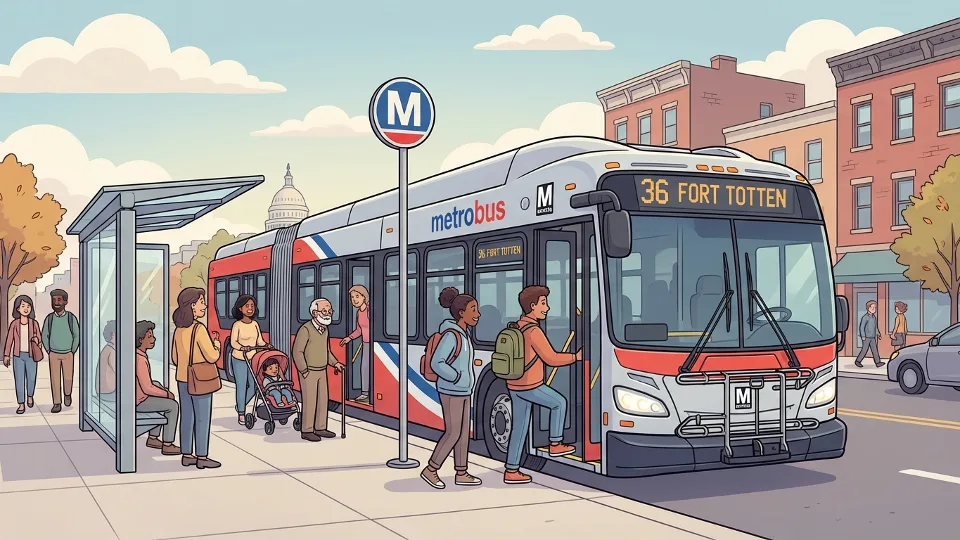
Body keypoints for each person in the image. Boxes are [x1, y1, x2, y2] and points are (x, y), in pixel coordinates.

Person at [503, 285, 582, 485]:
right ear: (532, 306)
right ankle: (555, 443)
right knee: (559, 403)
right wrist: (576, 357)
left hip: (514, 384)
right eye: (543, 303)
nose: (547, 308)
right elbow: (551, 358)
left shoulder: (518, 326)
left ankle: (511, 470)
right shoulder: (533, 331)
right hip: (530, 385)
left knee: (519, 428)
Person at [420, 287, 483, 490]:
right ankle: (431, 469)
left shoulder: (464, 334)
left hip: (464, 390)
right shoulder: (451, 335)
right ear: (461, 313)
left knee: (463, 433)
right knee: (453, 432)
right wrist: (456, 377)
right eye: (473, 309)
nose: (478, 314)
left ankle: (461, 472)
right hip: (451, 391)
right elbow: (437, 363)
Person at [172, 287, 222, 469]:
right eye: (202, 302)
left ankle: (187, 454)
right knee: (202, 418)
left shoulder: (178, 330)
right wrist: (217, 344)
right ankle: (202, 456)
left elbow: (175, 358)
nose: (205, 305)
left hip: (182, 378)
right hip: (200, 379)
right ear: (192, 305)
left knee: (187, 417)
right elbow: (212, 356)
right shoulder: (199, 329)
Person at [292, 298, 345, 442]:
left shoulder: (325, 330)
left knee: (322, 400)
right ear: (315, 313)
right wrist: (304, 370)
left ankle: (320, 428)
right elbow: (297, 351)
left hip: (322, 370)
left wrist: (335, 363)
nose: (328, 314)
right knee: (310, 401)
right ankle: (307, 430)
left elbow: (326, 351)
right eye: (324, 311)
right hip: (309, 371)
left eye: (329, 311)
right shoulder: (306, 329)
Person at [134, 320, 180, 455]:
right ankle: (167, 444)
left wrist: (161, 391)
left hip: (135, 397)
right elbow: (147, 388)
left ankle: (153, 438)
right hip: (139, 401)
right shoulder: (140, 359)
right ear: (140, 340)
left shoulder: (137, 354)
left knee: (158, 386)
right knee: (172, 406)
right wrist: (167, 394)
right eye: (149, 336)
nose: (153, 339)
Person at [41, 289, 80, 413]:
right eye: (54, 300)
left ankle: (67, 394)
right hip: (53, 353)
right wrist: (48, 350)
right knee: (55, 379)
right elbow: (44, 335)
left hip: (68, 353)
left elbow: (77, 335)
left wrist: (72, 350)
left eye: (59, 300)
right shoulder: (49, 318)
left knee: (68, 378)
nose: (56, 302)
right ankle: (57, 403)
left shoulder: (71, 318)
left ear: (65, 301)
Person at [230, 294, 267, 425]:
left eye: (252, 305)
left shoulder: (255, 324)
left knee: (254, 385)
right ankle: (241, 413)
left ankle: (241, 404)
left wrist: (266, 345)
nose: (250, 308)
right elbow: (233, 342)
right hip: (239, 358)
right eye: (247, 306)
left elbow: (259, 341)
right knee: (241, 385)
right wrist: (242, 347)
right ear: (240, 308)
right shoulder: (237, 325)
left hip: (253, 358)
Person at [3, 295, 43, 415]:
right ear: (18, 309)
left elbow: (40, 340)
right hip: (18, 356)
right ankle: (21, 403)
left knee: (31, 378)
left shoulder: (34, 323)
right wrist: (6, 355)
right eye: (23, 306)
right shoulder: (14, 324)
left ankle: (30, 396)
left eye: (28, 306)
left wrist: (36, 340)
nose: (26, 308)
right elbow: (9, 340)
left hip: (31, 356)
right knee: (19, 380)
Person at [340, 284, 371, 404]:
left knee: (367, 368)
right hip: (366, 344)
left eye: (357, 296)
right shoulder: (359, 313)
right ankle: (365, 393)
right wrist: (349, 338)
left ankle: (367, 393)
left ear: (364, 297)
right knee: (364, 368)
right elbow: (359, 330)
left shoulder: (369, 310)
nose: (354, 300)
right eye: (352, 297)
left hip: (374, 345)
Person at [855, 300, 884, 369]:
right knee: (864, 350)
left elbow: (875, 327)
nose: (874, 309)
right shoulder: (865, 317)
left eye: (875, 307)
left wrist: (878, 334)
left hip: (872, 337)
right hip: (866, 337)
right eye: (872, 308)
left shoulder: (874, 317)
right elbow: (861, 327)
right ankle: (858, 361)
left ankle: (878, 362)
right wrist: (863, 336)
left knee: (874, 349)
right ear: (868, 308)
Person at [96, 321, 117, 399]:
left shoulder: (107, 349)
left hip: (104, 392)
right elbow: (120, 373)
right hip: (109, 393)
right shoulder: (112, 351)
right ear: (113, 334)